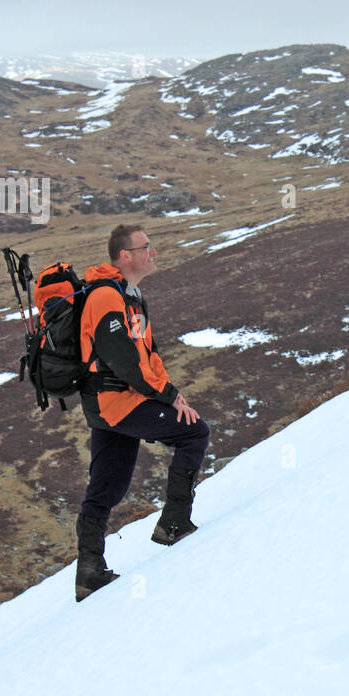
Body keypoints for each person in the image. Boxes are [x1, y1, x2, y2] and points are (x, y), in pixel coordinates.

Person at [73, 224, 210, 601]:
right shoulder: (105, 297)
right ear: (124, 255)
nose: (153, 252)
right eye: (145, 247)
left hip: (118, 404)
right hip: (115, 402)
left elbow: (149, 355)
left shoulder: (131, 296)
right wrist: (167, 397)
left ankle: (89, 574)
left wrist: (172, 393)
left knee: (107, 485)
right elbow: (123, 361)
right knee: (194, 432)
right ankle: (174, 523)